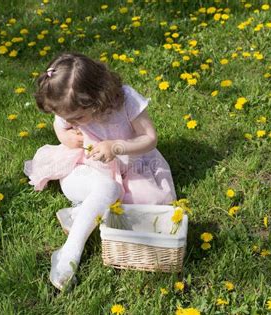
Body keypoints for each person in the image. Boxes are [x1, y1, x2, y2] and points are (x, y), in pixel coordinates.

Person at [23, 52, 177, 291]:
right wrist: (65, 137)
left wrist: (116, 147)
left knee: (146, 205)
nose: (74, 122)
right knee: (109, 188)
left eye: (77, 118)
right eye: (68, 118)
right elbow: (59, 123)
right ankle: (69, 254)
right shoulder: (70, 107)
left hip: (130, 163)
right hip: (82, 167)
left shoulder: (125, 100)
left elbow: (150, 138)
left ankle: (82, 214)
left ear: (97, 98)